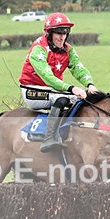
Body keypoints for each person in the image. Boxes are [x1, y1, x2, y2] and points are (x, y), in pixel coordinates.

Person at [18, 12, 101, 152]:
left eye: (65, 32)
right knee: (63, 98)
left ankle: (72, 134)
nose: (62, 37)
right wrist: (71, 88)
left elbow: (78, 68)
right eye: (58, 33)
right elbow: (47, 77)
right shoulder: (39, 48)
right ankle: (48, 139)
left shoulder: (68, 49)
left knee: (82, 99)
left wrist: (90, 84)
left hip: (51, 89)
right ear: (49, 33)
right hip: (31, 90)